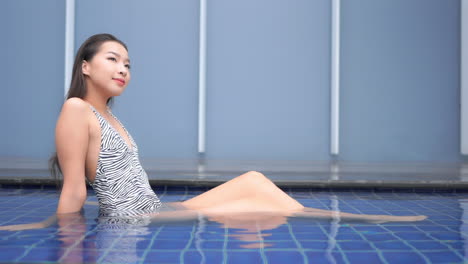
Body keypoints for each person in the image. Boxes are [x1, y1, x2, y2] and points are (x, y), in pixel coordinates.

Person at [0, 33, 425, 231]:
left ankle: (333, 217)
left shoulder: (111, 117)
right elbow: (75, 189)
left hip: (156, 207)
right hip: (136, 219)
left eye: (128, 64)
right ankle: (345, 218)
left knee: (254, 183)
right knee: (253, 207)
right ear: (86, 66)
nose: (123, 69)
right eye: (113, 59)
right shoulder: (77, 110)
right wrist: (52, 232)